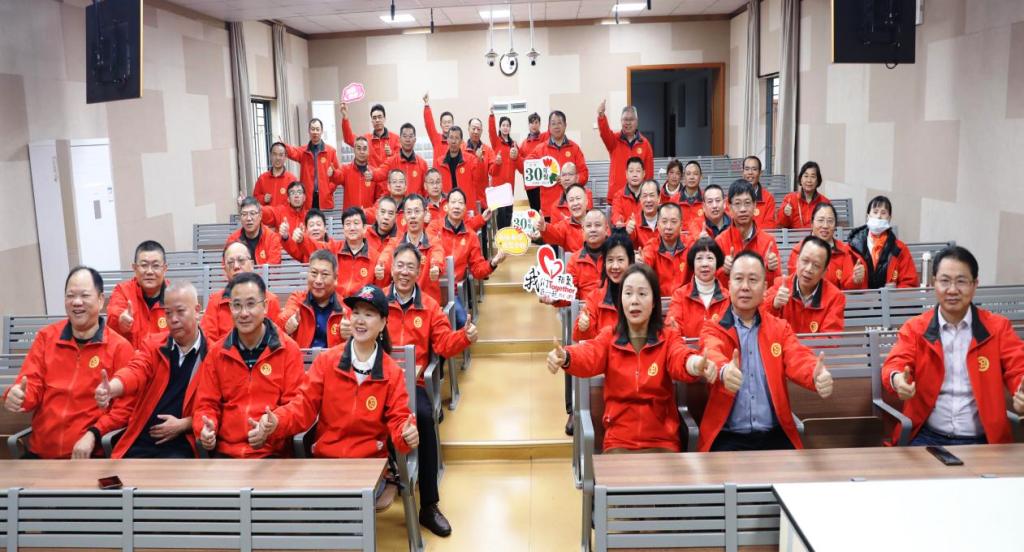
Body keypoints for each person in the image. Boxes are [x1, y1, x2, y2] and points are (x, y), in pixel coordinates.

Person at [252, 283, 418, 482]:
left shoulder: (392, 372)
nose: (360, 320)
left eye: (369, 314)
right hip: (327, 461)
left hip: (369, 465)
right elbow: (302, 407)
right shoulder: (327, 361)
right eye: (356, 313)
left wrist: (406, 435)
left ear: (383, 323)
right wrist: (277, 421)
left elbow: (399, 420)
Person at [548, 264, 715, 452]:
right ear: (621, 300)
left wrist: (695, 364)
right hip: (619, 441)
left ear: (654, 302)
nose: (634, 301)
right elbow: (589, 354)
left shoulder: (667, 337)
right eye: (628, 293)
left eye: (642, 294)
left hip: (662, 441)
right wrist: (566, 356)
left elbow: (680, 357)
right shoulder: (609, 337)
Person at [882, 246, 1024, 446]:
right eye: (945, 281)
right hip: (926, 436)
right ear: (934, 283)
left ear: (975, 285)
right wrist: (898, 380)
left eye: (961, 281)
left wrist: (1022, 391)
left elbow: (1018, 367)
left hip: (983, 440)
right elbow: (895, 363)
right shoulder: (916, 328)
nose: (952, 290)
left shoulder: (997, 328)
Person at [698, 251, 835, 451]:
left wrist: (816, 374)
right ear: (729, 285)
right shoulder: (714, 327)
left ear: (764, 288)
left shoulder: (779, 328)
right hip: (727, 435)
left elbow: (798, 357)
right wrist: (724, 370)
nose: (745, 286)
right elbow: (711, 351)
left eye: (753, 280)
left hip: (774, 434)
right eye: (738, 279)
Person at [386, 243, 478, 537]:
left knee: (425, 419)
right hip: (380, 383)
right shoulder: (377, 302)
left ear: (419, 272)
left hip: (412, 386)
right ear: (391, 268)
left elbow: (443, 344)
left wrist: (464, 337)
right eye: (400, 265)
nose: (404, 272)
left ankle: (428, 505)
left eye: (410, 267)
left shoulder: (429, 306)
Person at [3, 266, 133, 459]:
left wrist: (94, 434)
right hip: (41, 453)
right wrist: (18, 396)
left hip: (89, 455)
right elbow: (30, 385)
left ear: (100, 300)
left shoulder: (120, 348)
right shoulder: (46, 337)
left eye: (84, 295)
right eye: (70, 296)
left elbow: (124, 409)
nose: (76, 302)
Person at [192, 272, 305, 458]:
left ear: (265, 306)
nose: (244, 313)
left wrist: (275, 423)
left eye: (251, 304)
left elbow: (297, 406)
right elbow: (205, 405)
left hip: (272, 455)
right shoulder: (217, 353)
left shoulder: (288, 350)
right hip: (226, 454)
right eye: (237, 305)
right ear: (230, 308)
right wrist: (205, 427)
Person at [94, 281, 207, 458]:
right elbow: (135, 371)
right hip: (142, 439)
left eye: (180, 311)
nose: (173, 319)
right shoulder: (154, 345)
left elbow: (215, 408)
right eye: (168, 313)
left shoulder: (212, 354)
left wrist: (185, 424)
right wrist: (112, 388)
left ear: (197, 310)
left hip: (182, 445)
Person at [438, 188, 508, 327]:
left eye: (460, 203)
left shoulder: (471, 236)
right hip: (430, 288)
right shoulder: (435, 228)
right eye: (453, 202)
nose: (456, 206)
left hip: (451, 292)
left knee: (465, 325)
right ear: (447, 206)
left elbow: (477, 270)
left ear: (465, 208)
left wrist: (493, 262)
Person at [200, 242, 282, 344]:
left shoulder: (270, 300)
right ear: (225, 270)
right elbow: (207, 340)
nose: (236, 266)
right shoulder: (215, 301)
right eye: (230, 262)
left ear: (252, 265)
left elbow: (277, 340)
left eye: (241, 260)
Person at [764, 236, 846, 334]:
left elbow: (830, 339)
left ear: (824, 271)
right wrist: (774, 305)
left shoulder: (835, 298)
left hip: (813, 345)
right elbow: (759, 319)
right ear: (797, 260)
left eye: (816, 265)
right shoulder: (780, 286)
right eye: (805, 261)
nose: (808, 269)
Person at [377, 194, 445, 304]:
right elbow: (387, 255)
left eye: (417, 211)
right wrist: (381, 265)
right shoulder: (396, 242)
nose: (413, 216)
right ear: (404, 216)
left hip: (427, 305)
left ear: (425, 213)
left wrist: (436, 267)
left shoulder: (433, 242)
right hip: (399, 303)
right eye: (409, 212)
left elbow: (437, 255)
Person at [278, 249, 352, 349]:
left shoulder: (345, 309)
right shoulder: (297, 299)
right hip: (302, 358)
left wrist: (349, 336)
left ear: (335, 278)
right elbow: (281, 322)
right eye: (314, 273)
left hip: (331, 359)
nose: (318, 281)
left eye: (324, 274)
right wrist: (286, 325)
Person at [521, 110, 589, 217]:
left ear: (565, 125)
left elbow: (584, 173)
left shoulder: (574, 148)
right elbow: (525, 167)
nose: (556, 126)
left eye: (559, 123)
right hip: (548, 210)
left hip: (572, 207)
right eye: (553, 123)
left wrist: (574, 180)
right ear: (549, 127)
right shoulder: (540, 149)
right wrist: (515, 158)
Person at [786, 203, 866, 290]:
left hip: (836, 298)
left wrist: (855, 280)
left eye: (830, 221)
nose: (825, 226)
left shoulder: (844, 251)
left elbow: (847, 287)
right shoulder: (799, 250)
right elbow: (795, 284)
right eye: (820, 220)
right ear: (812, 223)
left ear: (835, 225)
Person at [108, 240, 171, 349]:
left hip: (165, 358)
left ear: (165, 269)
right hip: (132, 358)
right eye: (144, 265)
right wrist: (120, 321)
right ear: (134, 268)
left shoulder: (175, 295)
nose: (149, 271)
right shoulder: (123, 291)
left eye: (156, 266)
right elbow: (113, 315)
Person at [846, 195, 919, 288]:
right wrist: (854, 280)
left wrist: (894, 292)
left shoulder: (900, 249)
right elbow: (843, 284)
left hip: (890, 297)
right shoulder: (852, 247)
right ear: (868, 216)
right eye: (875, 212)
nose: (879, 216)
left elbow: (910, 283)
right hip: (862, 297)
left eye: (883, 213)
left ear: (889, 218)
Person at [716, 180, 781, 284]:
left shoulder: (768, 241)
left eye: (747, 203)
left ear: (755, 205)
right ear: (730, 208)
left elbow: (776, 284)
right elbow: (713, 285)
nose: (743, 209)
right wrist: (725, 271)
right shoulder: (720, 241)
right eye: (737, 203)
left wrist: (770, 270)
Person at [667, 237, 731, 338]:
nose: (704, 264)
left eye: (710, 258)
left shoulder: (727, 297)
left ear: (717, 262)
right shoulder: (680, 295)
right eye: (699, 258)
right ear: (692, 263)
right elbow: (673, 329)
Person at [317, 207, 385, 297]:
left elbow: (378, 293)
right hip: (336, 303)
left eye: (356, 223)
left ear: (364, 228)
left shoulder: (375, 257)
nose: (352, 228)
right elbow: (314, 247)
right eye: (348, 224)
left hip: (361, 304)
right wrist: (302, 240)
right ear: (343, 228)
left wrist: (381, 277)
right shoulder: (334, 248)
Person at [597, 101, 653, 202]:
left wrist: (647, 195)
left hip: (638, 198)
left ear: (637, 121)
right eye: (625, 119)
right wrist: (601, 116)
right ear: (621, 121)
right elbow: (604, 133)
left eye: (631, 119)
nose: (628, 123)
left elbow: (649, 174)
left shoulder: (645, 144)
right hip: (616, 197)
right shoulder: (614, 140)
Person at [281, 118, 342, 211]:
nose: (315, 132)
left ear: (321, 131)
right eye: (312, 129)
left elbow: (337, 174)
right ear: (309, 131)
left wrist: (329, 189)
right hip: (308, 197)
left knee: (324, 219)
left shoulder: (330, 151)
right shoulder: (303, 151)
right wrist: (283, 146)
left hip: (325, 197)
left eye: (317, 129)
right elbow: (293, 152)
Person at [641, 202, 690, 296]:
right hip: (659, 300)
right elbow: (645, 263)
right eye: (664, 221)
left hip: (684, 301)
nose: (668, 227)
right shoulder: (651, 246)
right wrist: (641, 264)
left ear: (681, 226)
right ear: (658, 225)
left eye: (673, 222)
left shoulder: (690, 244)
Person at [434, 125, 485, 212]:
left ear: (461, 141)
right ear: (447, 140)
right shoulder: (439, 162)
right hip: (447, 207)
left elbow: (479, 180)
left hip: (467, 207)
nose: (453, 141)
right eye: (451, 138)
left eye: (457, 138)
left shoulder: (471, 159)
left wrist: (480, 161)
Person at [332, 136, 386, 211]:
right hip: (350, 216)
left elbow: (379, 197)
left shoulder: (374, 173)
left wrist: (372, 212)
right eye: (359, 148)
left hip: (368, 216)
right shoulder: (346, 169)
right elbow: (338, 177)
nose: (362, 152)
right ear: (354, 150)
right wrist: (333, 173)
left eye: (364, 149)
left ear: (368, 151)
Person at [567, 209, 610, 300]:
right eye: (588, 226)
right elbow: (570, 293)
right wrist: (555, 299)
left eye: (597, 225)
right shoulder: (574, 260)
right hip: (585, 307)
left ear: (606, 229)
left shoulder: (616, 255)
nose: (593, 230)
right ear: (583, 230)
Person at [341, 102, 401, 167]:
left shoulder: (395, 138)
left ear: (384, 119)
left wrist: (391, 153)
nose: (377, 120)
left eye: (380, 117)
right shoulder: (366, 139)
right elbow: (349, 139)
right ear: (372, 121)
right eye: (374, 118)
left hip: (390, 173)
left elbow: (401, 159)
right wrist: (345, 117)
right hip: (370, 173)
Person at [225, 197, 283, 265]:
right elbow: (227, 266)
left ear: (260, 216)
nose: (249, 218)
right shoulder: (233, 239)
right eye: (244, 214)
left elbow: (274, 267)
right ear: (240, 217)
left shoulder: (272, 238)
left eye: (252, 213)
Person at [487, 109, 519, 228]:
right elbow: (491, 131)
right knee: (501, 215)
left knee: (509, 214)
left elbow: (518, 160)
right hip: (499, 186)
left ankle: (507, 236)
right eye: (503, 125)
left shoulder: (513, 144)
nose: (505, 128)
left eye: (508, 125)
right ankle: (501, 237)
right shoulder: (496, 142)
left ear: (510, 128)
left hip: (510, 185)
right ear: (500, 128)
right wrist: (491, 116)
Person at [535, 184, 588, 252]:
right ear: (568, 204)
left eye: (578, 198)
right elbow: (554, 234)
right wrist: (545, 228)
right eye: (571, 200)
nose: (575, 203)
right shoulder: (565, 225)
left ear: (586, 201)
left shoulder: (597, 221)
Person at [777, 161, 829, 229]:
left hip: (816, 235)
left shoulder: (824, 202)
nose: (809, 180)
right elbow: (781, 224)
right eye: (806, 176)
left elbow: (828, 226)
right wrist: (785, 214)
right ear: (801, 179)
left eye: (813, 176)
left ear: (817, 181)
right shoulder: (790, 198)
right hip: (794, 236)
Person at [381, 122, 429, 195]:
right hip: (397, 202)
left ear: (415, 140)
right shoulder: (391, 161)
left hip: (416, 202)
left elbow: (426, 191)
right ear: (400, 140)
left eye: (410, 136)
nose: (407, 139)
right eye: (405, 136)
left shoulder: (423, 164)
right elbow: (378, 174)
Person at [256, 181, 308, 245]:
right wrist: (251, 206)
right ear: (288, 199)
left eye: (299, 192)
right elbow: (265, 211)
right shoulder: (280, 211)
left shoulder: (309, 216)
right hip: (283, 250)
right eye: (292, 193)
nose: (296, 195)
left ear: (304, 198)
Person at [252, 142, 298, 207]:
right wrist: (263, 199)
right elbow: (254, 200)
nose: (277, 158)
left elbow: (297, 202)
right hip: (266, 213)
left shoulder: (292, 179)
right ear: (270, 156)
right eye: (274, 154)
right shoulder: (262, 178)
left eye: (281, 155)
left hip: (285, 214)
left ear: (285, 157)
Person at [464, 117, 494, 211]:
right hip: (466, 199)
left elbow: (493, 171)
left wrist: (497, 163)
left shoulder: (488, 150)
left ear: (481, 131)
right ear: (468, 129)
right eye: (473, 128)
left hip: (483, 199)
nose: (476, 131)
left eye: (478, 129)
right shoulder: (461, 149)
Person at [518, 112, 547, 211]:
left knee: (545, 210)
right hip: (530, 184)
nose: (534, 125)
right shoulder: (523, 144)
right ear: (528, 124)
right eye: (531, 123)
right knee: (535, 211)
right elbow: (520, 165)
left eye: (536, 122)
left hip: (544, 182)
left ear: (539, 124)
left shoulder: (545, 137)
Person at [741, 155, 777, 229]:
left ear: (760, 172)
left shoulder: (768, 198)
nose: (750, 172)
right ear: (743, 172)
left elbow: (770, 225)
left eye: (754, 169)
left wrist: (749, 232)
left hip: (760, 236)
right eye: (747, 169)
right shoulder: (733, 196)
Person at [610, 157, 645, 231]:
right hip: (626, 234)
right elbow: (616, 217)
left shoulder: (648, 195)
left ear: (643, 174)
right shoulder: (618, 196)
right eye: (631, 171)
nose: (635, 175)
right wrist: (626, 225)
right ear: (626, 174)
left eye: (638, 171)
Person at [422, 92, 455, 163]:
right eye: (444, 122)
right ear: (441, 124)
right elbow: (429, 124)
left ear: (453, 124)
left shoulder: (458, 142)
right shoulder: (436, 138)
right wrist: (426, 104)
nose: (447, 124)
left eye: (449, 122)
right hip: (438, 170)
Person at [628, 180, 661, 249]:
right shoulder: (633, 221)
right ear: (640, 199)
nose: (648, 200)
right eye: (645, 196)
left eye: (652, 195)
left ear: (659, 198)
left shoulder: (666, 220)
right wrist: (627, 233)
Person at [676, 161, 705, 226]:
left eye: (695, 174)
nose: (691, 177)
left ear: (701, 177)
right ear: (683, 177)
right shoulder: (674, 200)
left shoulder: (707, 199)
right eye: (688, 174)